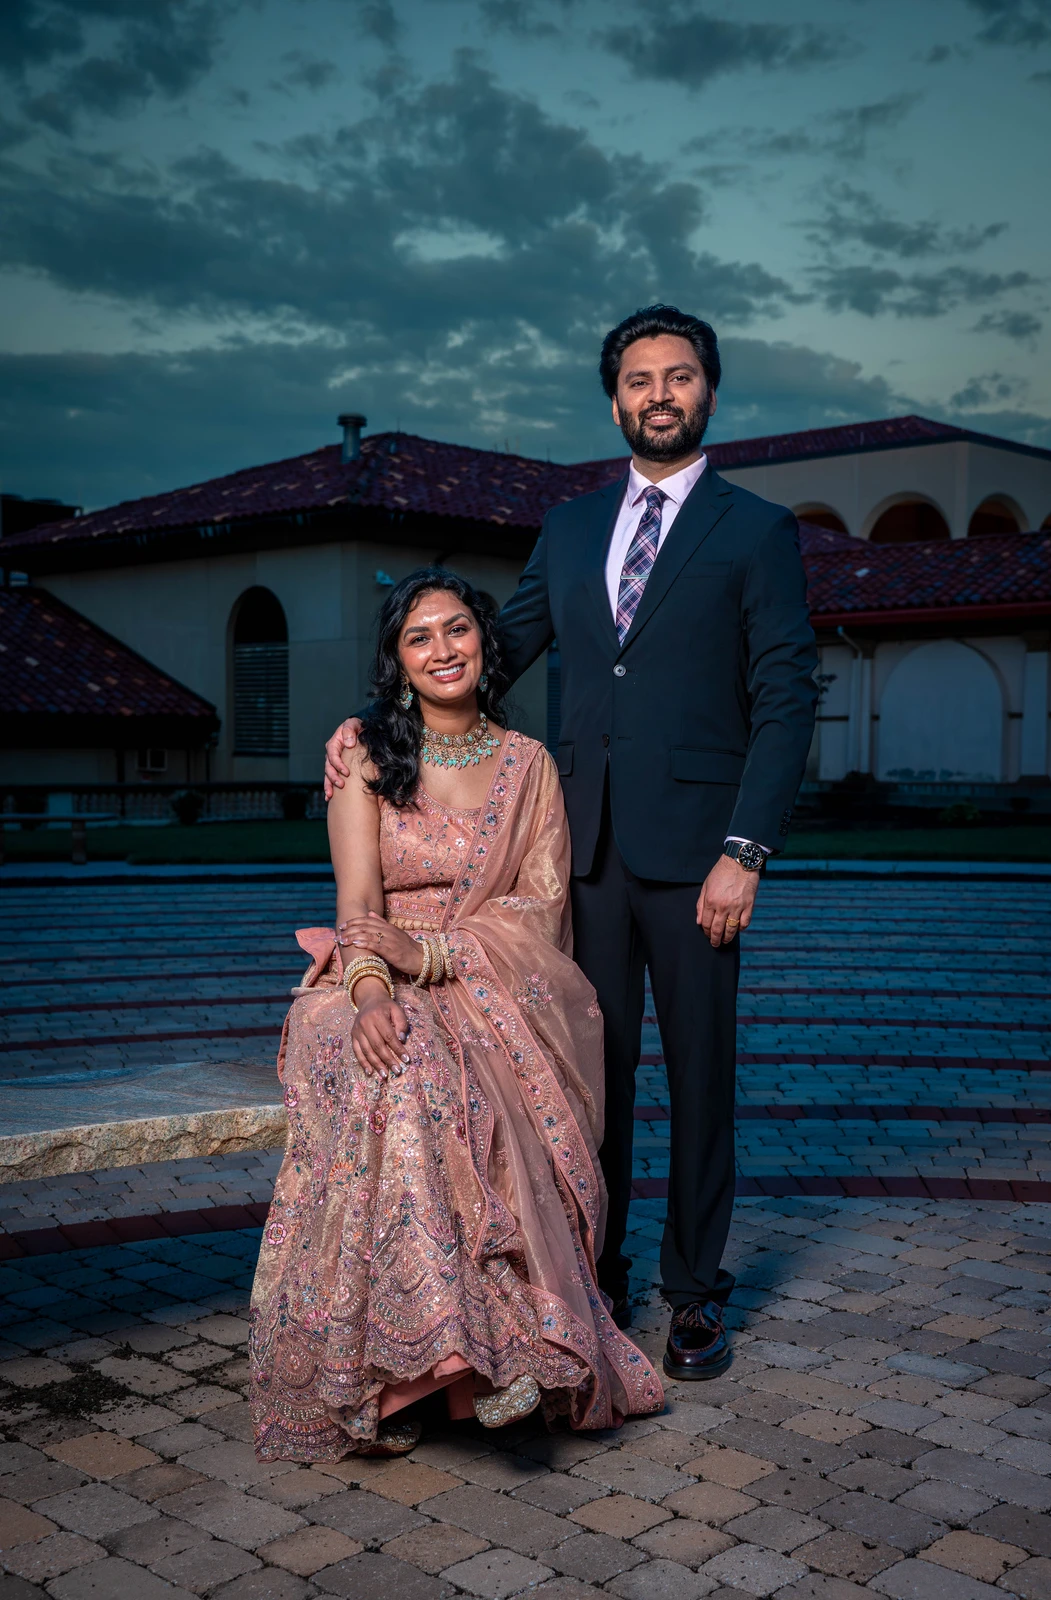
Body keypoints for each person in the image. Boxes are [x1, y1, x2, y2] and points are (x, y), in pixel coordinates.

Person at [326, 305, 818, 1382]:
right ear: (613, 400)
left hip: (698, 858)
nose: (657, 393)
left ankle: (690, 1295)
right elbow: (486, 653)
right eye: (637, 378)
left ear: (707, 392)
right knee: (580, 1077)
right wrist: (392, 708)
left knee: (700, 1078)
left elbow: (784, 697)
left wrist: (744, 848)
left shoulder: (754, 530)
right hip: (577, 851)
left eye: (677, 376)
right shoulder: (568, 525)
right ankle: (587, 1273)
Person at [251, 569, 663, 1462]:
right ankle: (432, 1363)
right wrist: (369, 989)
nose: (443, 649)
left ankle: (474, 1353)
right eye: (419, 636)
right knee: (394, 1060)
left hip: (482, 982)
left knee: (441, 1072)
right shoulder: (362, 749)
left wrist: (433, 957)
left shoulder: (528, 769)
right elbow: (358, 901)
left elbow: (538, 911)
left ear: (485, 642)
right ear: (397, 661)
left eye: (458, 629)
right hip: (360, 976)